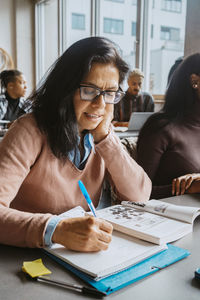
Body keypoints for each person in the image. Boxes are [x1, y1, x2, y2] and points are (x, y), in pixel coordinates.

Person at [0, 37, 151, 251]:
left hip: (76, 258)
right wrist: (56, 229)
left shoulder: (100, 134)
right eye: (89, 90)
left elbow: (140, 196)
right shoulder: (28, 131)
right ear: (65, 89)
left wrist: (106, 140)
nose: (100, 104)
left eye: (109, 93)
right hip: (23, 257)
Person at [136, 53, 200, 199]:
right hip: (170, 218)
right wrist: (190, 188)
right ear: (195, 81)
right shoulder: (160, 128)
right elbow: (136, 194)